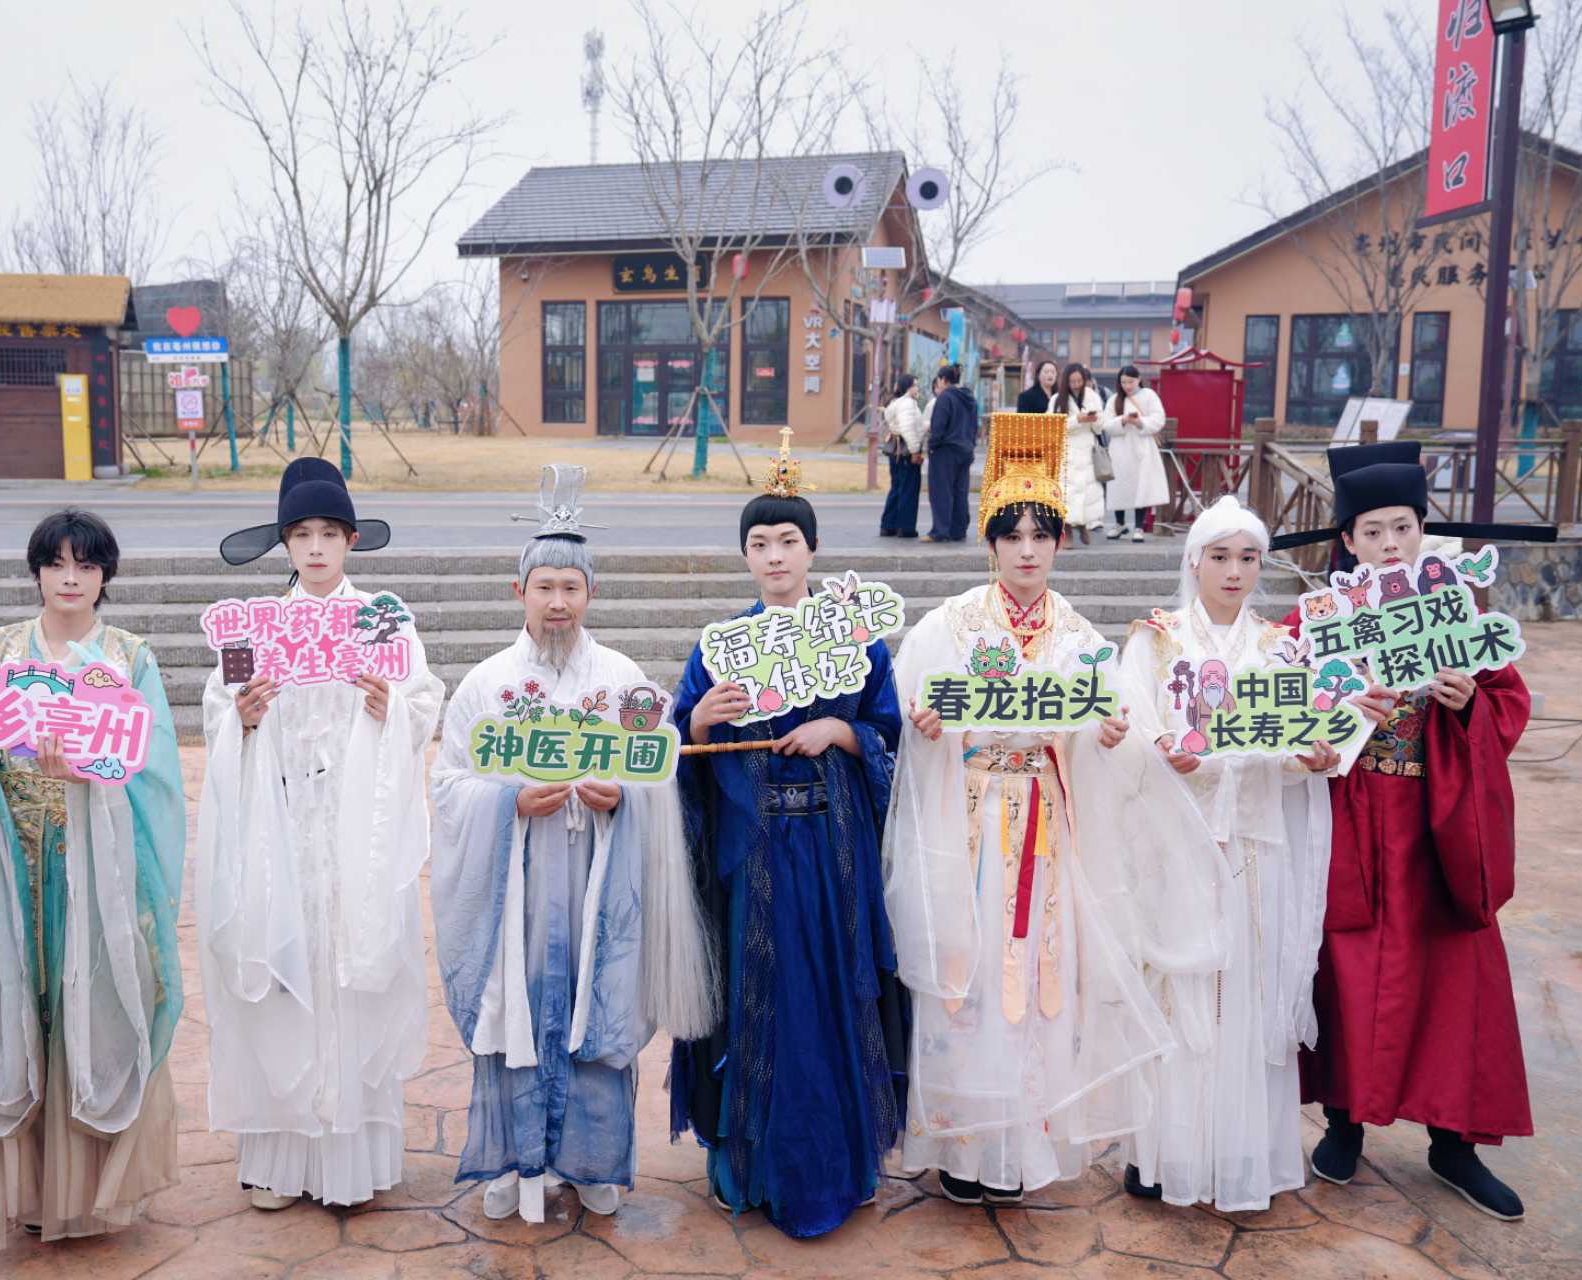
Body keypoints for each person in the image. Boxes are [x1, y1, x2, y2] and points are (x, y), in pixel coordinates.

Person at [884, 414, 1227, 1204]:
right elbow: (909, 709)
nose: (1028, 550)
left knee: (1041, 988)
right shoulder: (949, 625)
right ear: (992, 543)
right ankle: (966, 1151)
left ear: (1061, 543)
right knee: (968, 987)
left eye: (1043, 534)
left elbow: (1115, 733)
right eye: (1013, 535)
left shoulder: (1080, 638)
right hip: (970, 823)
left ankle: (1022, 1151)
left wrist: (1109, 739)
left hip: (1046, 830)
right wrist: (924, 725)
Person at [1268, 442, 1554, 1221]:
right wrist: (1334, 715)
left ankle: (1454, 1143)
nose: (1390, 543)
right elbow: (1282, 707)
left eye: (1403, 527)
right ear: (1347, 542)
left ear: (1422, 531)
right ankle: (1344, 1122)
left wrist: (1468, 706)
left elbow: (1510, 704)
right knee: (1349, 970)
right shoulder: (1319, 618)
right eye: (1372, 531)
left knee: (1455, 975)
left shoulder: (1461, 611)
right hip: (1354, 819)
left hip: (1438, 822)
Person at [430, 465, 718, 1225]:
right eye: (544, 587)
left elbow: (658, 770)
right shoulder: (485, 686)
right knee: (515, 1011)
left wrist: (624, 797)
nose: (558, 602)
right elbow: (449, 782)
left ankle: (590, 1162)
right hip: (516, 883)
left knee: (596, 1008)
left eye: (572, 588)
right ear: (518, 593)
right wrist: (507, 802)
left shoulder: (622, 681)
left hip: (598, 877)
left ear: (591, 595)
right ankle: (519, 1164)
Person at [668, 435, 907, 1238]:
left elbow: (886, 729)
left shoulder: (853, 638)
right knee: (757, 999)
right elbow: (685, 744)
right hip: (754, 855)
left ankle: (844, 1160)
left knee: (835, 995)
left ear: (813, 550)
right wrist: (699, 720)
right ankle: (751, 1166)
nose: (775, 556)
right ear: (744, 556)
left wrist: (839, 728)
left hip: (832, 853)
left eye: (789, 542)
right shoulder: (719, 646)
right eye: (760, 544)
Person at [197, 459, 445, 1209]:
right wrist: (238, 720)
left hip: (354, 830)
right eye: (300, 534)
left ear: (351, 540)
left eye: (328, 533)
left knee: (350, 971)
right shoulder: (253, 628)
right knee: (282, 979)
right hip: (280, 831)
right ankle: (278, 1161)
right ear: (285, 543)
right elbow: (219, 705)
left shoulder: (382, 622)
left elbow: (423, 700)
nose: (314, 547)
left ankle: (350, 1161)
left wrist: (388, 710)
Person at [0, 509, 186, 1253]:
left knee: (97, 1002)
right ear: (37, 571)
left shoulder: (128, 658)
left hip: (97, 867)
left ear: (106, 574)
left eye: (86, 564)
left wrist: (94, 781)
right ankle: (32, 1192)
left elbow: (159, 776)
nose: (70, 578)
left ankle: (92, 1194)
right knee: (21, 1007)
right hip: (13, 863)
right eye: (56, 564)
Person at [1114, 496, 1338, 1211]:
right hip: (1174, 840)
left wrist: (1316, 757)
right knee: (1174, 989)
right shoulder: (1154, 640)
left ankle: (1237, 1151)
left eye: (1248, 557)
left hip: (1249, 842)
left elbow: (1300, 745)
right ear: (1194, 561)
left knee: (1242, 993)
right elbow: (1134, 724)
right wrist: (1160, 754)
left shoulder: (1279, 648)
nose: (1235, 571)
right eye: (1220, 556)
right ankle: (1161, 1153)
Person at [1104, 366, 1169, 542]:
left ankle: (1138, 526)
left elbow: (1158, 418)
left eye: (1130, 381)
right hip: (1120, 449)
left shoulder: (1149, 395)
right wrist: (1123, 420)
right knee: (1119, 485)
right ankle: (1120, 524)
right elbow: (1106, 425)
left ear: (1138, 379)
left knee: (1141, 487)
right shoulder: (1114, 399)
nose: (1127, 385)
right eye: (1123, 382)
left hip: (1142, 448)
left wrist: (1140, 422)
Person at [1051, 363, 1107, 541]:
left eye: (1079, 381)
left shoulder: (1093, 397)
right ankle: (1067, 530)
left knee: (1087, 491)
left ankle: (1083, 525)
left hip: (1087, 448)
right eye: (1072, 381)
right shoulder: (1057, 399)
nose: (1076, 384)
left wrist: (1094, 419)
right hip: (1067, 450)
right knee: (1067, 492)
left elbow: (1100, 427)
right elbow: (1054, 427)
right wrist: (1077, 420)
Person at [924, 363, 978, 543]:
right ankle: (958, 529)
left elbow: (938, 427)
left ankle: (940, 531)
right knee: (960, 492)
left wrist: (931, 445)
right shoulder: (970, 398)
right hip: (965, 449)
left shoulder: (945, 398)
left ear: (943, 380)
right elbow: (974, 427)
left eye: (938, 380)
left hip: (946, 451)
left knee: (941, 491)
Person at [879, 374, 926, 539]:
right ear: (908, 387)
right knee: (908, 489)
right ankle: (905, 528)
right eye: (915, 385)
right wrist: (915, 451)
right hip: (906, 451)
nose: (917, 388)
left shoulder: (896, 402)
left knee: (897, 487)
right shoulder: (908, 404)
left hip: (895, 451)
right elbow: (907, 429)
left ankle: (888, 525)